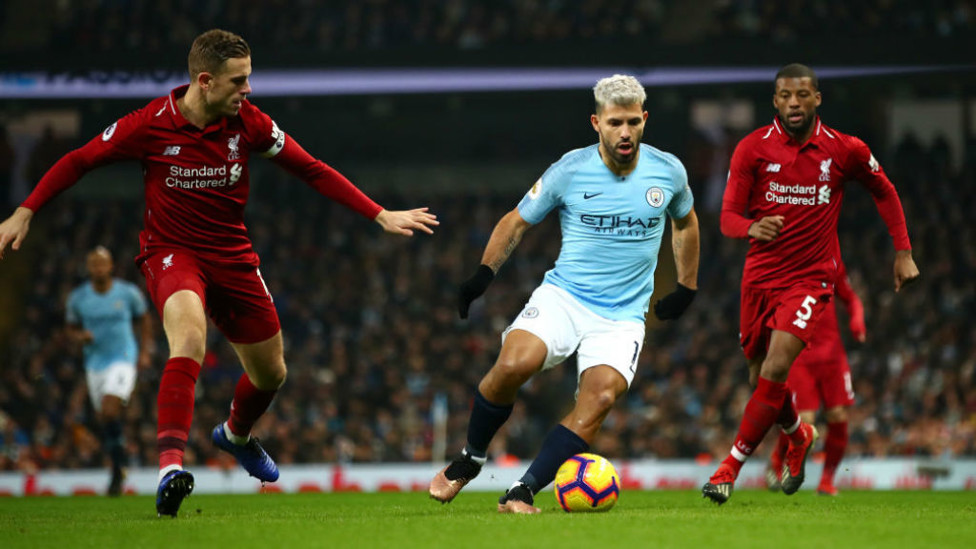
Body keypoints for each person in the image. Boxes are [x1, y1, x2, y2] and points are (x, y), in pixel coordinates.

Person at [0, 29, 438, 517]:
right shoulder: (150, 124)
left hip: (232, 256)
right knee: (188, 338)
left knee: (272, 373)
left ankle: (235, 435)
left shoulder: (249, 123)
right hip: (172, 253)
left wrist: (378, 214)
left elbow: (310, 168)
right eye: (239, 81)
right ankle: (170, 470)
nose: (248, 90)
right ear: (205, 81)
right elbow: (80, 160)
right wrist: (26, 209)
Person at [429, 74, 699, 513]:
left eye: (633, 121)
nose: (625, 132)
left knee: (601, 397)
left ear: (645, 119)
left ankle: (523, 490)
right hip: (565, 298)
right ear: (596, 123)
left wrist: (686, 285)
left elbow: (685, 222)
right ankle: (471, 458)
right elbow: (516, 220)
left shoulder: (667, 170)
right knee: (514, 364)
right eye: (615, 123)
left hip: (622, 316)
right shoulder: (570, 169)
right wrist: (482, 276)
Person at [703, 63, 919, 504]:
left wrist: (903, 251)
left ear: (817, 98)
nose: (793, 103)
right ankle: (798, 435)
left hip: (811, 279)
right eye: (785, 96)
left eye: (802, 95)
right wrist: (751, 228)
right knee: (758, 375)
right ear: (775, 101)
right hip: (759, 278)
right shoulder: (751, 149)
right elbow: (726, 218)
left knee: (776, 368)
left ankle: (730, 467)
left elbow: (884, 190)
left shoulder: (845, 149)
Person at [766, 257, 865, 496]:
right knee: (805, 421)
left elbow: (850, 298)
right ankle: (777, 460)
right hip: (801, 355)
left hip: (833, 356)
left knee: (838, 415)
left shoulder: (832, 264)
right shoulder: (787, 265)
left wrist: (857, 320)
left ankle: (827, 481)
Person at [65, 246, 153, 496]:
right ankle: (119, 462)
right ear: (89, 268)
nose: (98, 268)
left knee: (110, 407)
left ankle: (117, 466)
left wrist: (145, 351)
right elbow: (69, 329)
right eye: (94, 264)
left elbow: (145, 319)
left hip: (123, 358)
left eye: (102, 264)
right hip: (94, 363)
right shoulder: (78, 298)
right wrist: (79, 336)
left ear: (111, 266)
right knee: (106, 417)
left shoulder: (127, 293)